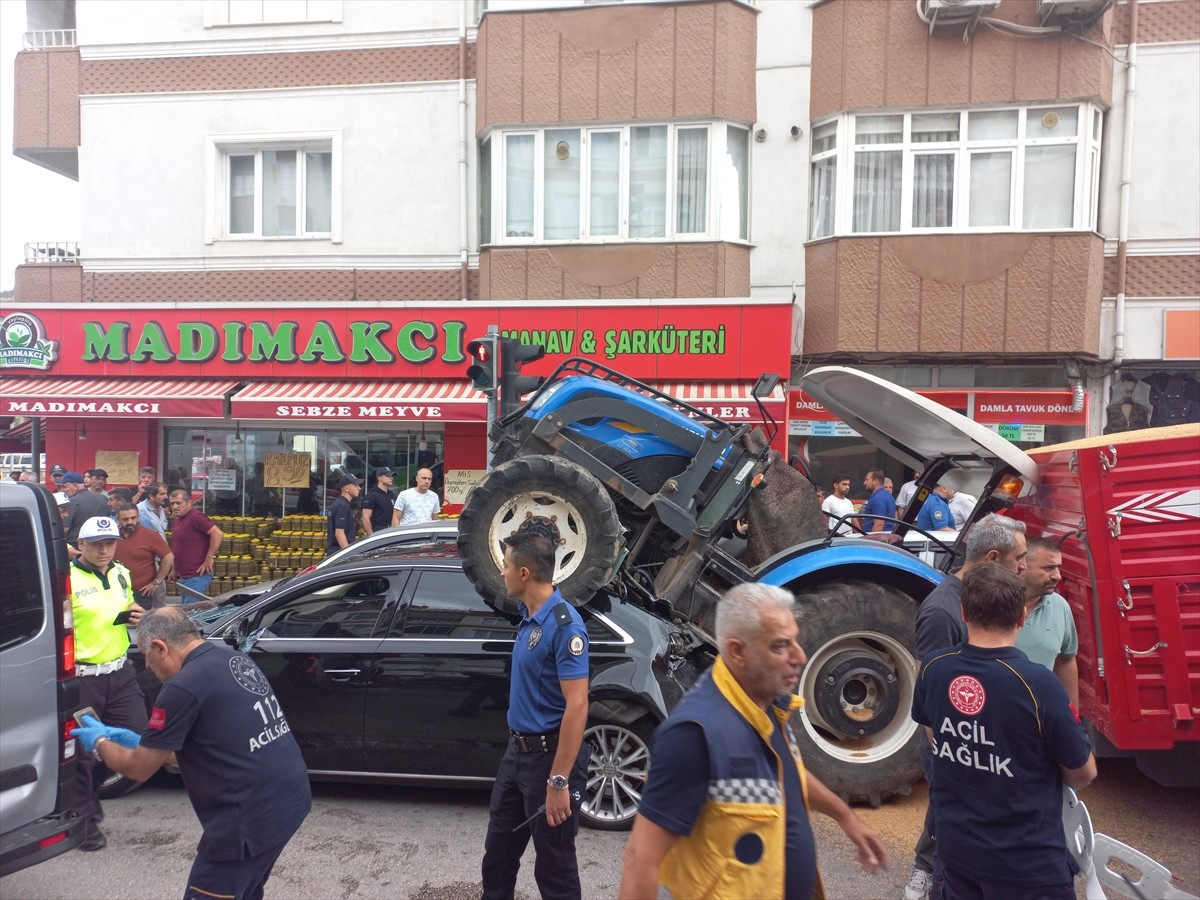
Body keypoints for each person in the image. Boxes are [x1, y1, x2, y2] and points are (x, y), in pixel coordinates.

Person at [618, 583, 889, 899]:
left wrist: (845, 817)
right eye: (779, 646)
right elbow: (640, 858)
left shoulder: (767, 702)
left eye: (795, 642)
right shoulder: (694, 734)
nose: (799, 656)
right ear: (737, 651)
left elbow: (784, 774)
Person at [71, 607, 312, 898]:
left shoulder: (181, 687)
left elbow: (137, 770)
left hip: (245, 822)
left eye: (149, 661)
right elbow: (208, 750)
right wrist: (141, 742)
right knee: (245, 891)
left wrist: (99, 741)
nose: (150, 669)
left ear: (160, 647)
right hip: (289, 802)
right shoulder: (232, 658)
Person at [911, 563, 1096, 900]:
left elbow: (934, 735)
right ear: (1022, 617)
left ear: (964, 612)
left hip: (956, 853)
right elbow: (1083, 772)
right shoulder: (1039, 683)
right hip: (1027, 864)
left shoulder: (933, 668)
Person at [905, 514, 1027, 900]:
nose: (1023, 566)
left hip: (974, 736)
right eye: (1018, 558)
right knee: (949, 807)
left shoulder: (984, 598)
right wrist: (948, 751)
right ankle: (929, 872)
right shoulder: (943, 611)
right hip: (949, 738)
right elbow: (929, 690)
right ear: (992, 557)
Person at [481, 530, 590, 900]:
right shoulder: (530, 617)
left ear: (524, 573)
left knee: (555, 871)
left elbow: (577, 707)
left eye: (506, 566)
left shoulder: (565, 626)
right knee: (497, 859)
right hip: (516, 757)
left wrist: (558, 782)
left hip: (550, 761)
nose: (502, 573)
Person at [68, 515, 147, 852]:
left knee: (139, 741)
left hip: (120, 672)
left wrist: (134, 610)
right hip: (83, 679)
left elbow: (124, 602)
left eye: (110, 543)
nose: (104, 550)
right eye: (97, 544)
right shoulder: (66, 579)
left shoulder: (120, 572)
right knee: (84, 756)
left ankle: (87, 794)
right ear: (80, 544)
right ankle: (83, 822)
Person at [1017, 536, 1079, 708]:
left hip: (1040, 719)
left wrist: (1072, 717)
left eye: (1058, 568)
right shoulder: (992, 603)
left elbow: (1065, 660)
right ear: (1022, 566)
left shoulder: (1060, 606)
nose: (1057, 576)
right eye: (1048, 568)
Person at [113, 503, 174, 609]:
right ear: (118, 520)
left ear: (139, 517)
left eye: (133, 518)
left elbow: (168, 557)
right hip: (117, 593)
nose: (130, 522)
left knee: (143, 624)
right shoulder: (112, 537)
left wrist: (156, 582)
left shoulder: (150, 535)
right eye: (125, 519)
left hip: (142, 593)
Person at [168, 490, 223, 599]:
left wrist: (209, 558)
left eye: (179, 503)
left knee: (192, 612)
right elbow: (179, 546)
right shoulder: (178, 519)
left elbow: (218, 534)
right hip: (185, 576)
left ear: (189, 503)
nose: (174, 507)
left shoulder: (196, 517)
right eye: (172, 504)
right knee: (187, 612)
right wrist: (174, 568)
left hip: (197, 575)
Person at [63, 471, 111, 543]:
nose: (64, 490)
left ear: (75, 486)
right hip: (100, 543)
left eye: (65, 487)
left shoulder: (71, 502)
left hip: (76, 545)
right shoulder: (103, 498)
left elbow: (64, 529)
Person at [326, 474, 363, 553]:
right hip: (338, 551)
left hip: (335, 551)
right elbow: (339, 533)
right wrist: (348, 554)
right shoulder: (342, 506)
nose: (359, 488)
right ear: (346, 488)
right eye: (356, 485)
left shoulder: (338, 503)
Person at [361, 467, 399, 535]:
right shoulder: (372, 495)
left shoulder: (392, 495)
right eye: (388, 476)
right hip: (378, 531)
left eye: (391, 476)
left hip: (391, 530)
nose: (391, 478)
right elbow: (365, 517)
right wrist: (371, 536)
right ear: (379, 478)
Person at [858, 469, 896, 534]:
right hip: (886, 537)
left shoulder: (878, 498)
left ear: (875, 482)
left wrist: (872, 543)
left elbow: (879, 524)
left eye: (867, 480)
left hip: (878, 539)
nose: (864, 483)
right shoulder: (888, 496)